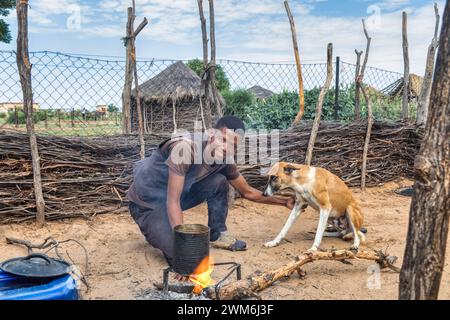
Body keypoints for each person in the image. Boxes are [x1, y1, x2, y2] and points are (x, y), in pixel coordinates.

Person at [127, 116, 294, 267]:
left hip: (178, 197)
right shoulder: (186, 149)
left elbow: (248, 192)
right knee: (185, 258)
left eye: (233, 145)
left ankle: (216, 233)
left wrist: (283, 201)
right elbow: (172, 201)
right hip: (146, 203)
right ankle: (157, 230)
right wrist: (184, 242)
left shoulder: (225, 160)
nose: (226, 148)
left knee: (219, 181)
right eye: (223, 140)